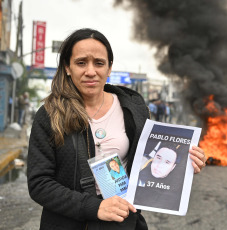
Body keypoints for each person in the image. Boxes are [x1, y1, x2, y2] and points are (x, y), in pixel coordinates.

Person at [27, 28, 207, 230]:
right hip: (67, 223)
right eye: (81, 63)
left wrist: (187, 166)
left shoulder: (134, 110)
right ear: (67, 67)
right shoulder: (50, 114)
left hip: (122, 222)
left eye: (99, 63)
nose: (90, 71)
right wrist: (95, 207)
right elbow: (39, 184)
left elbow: (147, 163)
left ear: (109, 68)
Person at [135, 143, 187, 211]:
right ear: (153, 158)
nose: (159, 165)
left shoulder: (176, 189)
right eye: (158, 158)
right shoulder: (138, 175)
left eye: (167, 162)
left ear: (173, 167)